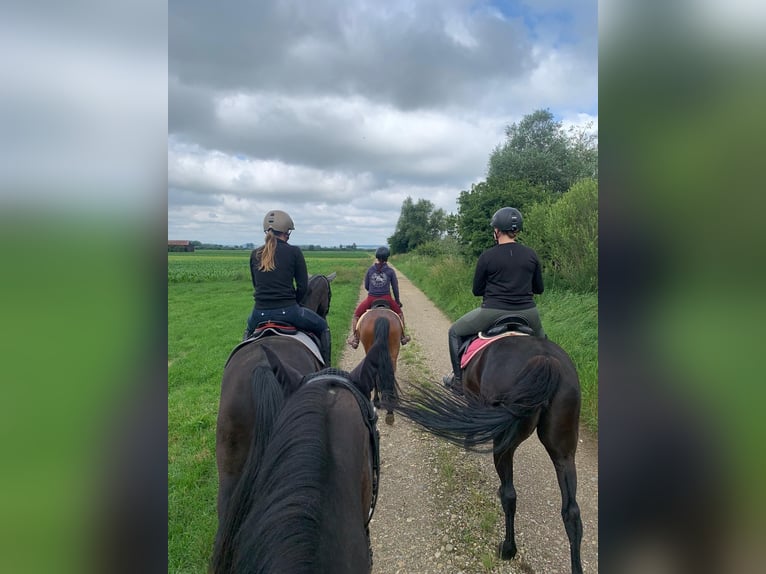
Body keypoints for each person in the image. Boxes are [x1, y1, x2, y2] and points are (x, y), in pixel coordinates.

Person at [443, 207, 545, 394]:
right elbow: (539, 288)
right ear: (517, 230)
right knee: (546, 345)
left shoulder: (487, 256)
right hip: (528, 313)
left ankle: (458, 381)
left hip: (492, 312)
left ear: (497, 230)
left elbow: (477, 290)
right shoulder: (531, 255)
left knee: (454, 332)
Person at [242, 209, 332, 366]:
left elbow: (257, 286)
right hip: (289, 312)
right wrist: (293, 303)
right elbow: (303, 287)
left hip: (259, 313)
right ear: (287, 232)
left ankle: (243, 361)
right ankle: (327, 369)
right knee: (323, 326)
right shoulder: (294, 252)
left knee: (248, 333)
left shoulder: (255, 254)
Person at [346, 246, 411, 349]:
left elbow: (367, 286)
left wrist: (374, 291)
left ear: (376, 257)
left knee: (356, 315)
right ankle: (403, 337)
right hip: (387, 298)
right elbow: (395, 288)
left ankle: (356, 339)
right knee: (400, 314)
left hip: (371, 299)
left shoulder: (370, 270)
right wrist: (397, 301)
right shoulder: (390, 271)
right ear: (387, 258)